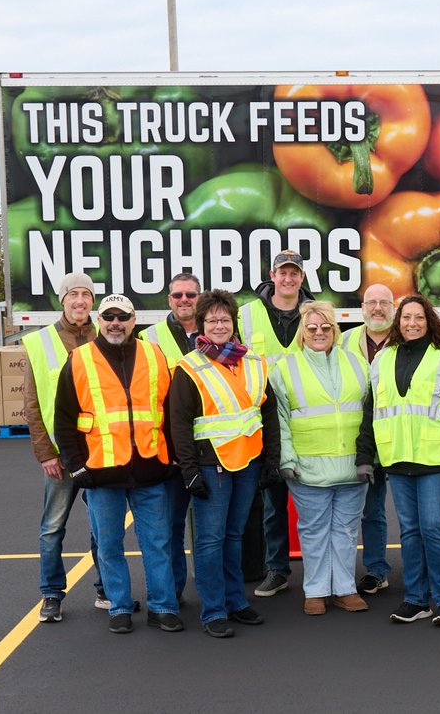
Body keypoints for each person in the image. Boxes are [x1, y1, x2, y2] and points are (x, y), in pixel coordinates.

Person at [54, 294, 178, 634]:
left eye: (121, 316)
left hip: (152, 469)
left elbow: (169, 411)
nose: (115, 323)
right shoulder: (79, 359)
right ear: (98, 320)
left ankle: (163, 607)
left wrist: (173, 460)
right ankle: (119, 607)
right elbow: (64, 419)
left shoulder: (154, 355)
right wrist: (76, 467)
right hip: (100, 474)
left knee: (158, 543)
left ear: (133, 320)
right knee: (108, 545)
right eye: (108, 316)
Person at [355, 294, 440, 626]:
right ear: (398, 321)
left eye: (419, 318)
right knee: (409, 531)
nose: (412, 323)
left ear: (430, 321)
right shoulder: (382, 359)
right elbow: (371, 411)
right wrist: (364, 456)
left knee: (434, 528)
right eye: (406, 317)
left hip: (434, 460)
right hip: (396, 459)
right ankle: (415, 599)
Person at [169, 289, 280, 638]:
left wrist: (270, 460)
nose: (219, 325)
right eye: (212, 319)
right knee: (210, 540)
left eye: (225, 319)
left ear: (234, 324)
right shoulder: (189, 367)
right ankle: (213, 610)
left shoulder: (254, 362)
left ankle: (236, 601)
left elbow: (267, 413)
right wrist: (188, 471)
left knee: (235, 535)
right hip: (208, 465)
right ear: (202, 323)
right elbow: (180, 423)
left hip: (248, 462)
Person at [272, 301, 372, 615]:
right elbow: (280, 419)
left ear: (334, 330)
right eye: (312, 328)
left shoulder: (357, 363)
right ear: (303, 331)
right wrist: (286, 459)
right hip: (308, 467)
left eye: (325, 327)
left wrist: (369, 457)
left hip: (352, 466)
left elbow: (369, 414)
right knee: (313, 532)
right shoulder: (285, 368)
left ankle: (344, 589)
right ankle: (315, 592)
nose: (319, 333)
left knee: (345, 531)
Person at [22, 271, 105, 622]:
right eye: (74, 295)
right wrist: (45, 453)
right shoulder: (39, 343)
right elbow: (32, 404)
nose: (80, 301)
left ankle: (106, 590)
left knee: (103, 525)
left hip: (100, 452)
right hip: (60, 456)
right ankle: (52, 594)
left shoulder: (107, 334)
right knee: (53, 527)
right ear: (63, 300)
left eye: (86, 295)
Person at [239, 250, 313, 599]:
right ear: (272, 275)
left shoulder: (316, 313)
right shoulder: (247, 315)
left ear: (301, 277)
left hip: (309, 418)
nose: (288, 279)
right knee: (273, 501)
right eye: (282, 273)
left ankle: (319, 572)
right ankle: (277, 570)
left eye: (294, 273)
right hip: (265, 418)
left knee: (314, 502)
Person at [139, 272, 202, 609]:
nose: (184, 300)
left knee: (211, 530)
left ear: (200, 297)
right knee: (170, 526)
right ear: (168, 299)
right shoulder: (149, 338)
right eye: (177, 295)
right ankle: (173, 589)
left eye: (190, 295)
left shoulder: (218, 331)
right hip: (168, 449)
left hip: (211, 446)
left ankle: (215, 590)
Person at [341, 283, 397, 595]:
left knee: (401, 513)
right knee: (364, 510)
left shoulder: (405, 338)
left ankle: (387, 570)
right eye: (371, 302)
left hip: (397, 437)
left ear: (394, 306)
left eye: (384, 302)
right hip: (360, 439)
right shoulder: (345, 340)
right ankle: (369, 571)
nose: (378, 308)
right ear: (362, 308)